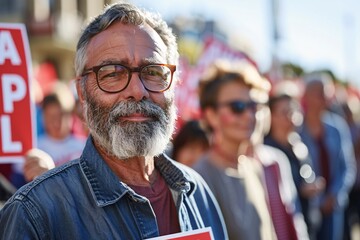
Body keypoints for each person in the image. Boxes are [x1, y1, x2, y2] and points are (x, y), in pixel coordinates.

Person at [0, 2, 228, 239]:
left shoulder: (197, 191)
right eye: (112, 74)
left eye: (153, 72)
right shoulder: (35, 213)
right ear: (82, 92)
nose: (137, 91)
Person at [193, 59, 308, 240]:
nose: (249, 115)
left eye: (254, 106)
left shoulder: (253, 166)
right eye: (237, 107)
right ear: (211, 116)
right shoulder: (199, 178)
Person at [299, 72, 356, 240]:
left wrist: (334, 195)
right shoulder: (296, 128)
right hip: (305, 208)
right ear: (307, 96)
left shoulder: (337, 127)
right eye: (319, 93)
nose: (324, 98)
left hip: (333, 208)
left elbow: (347, 166)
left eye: (326, 94)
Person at [264, 93, 325, 239]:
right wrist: (299, 190)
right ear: (270, 117)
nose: (292, 117)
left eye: (294, 111)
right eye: (285, 112)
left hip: (307, 223)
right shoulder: (265, 153)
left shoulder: (299, 144)